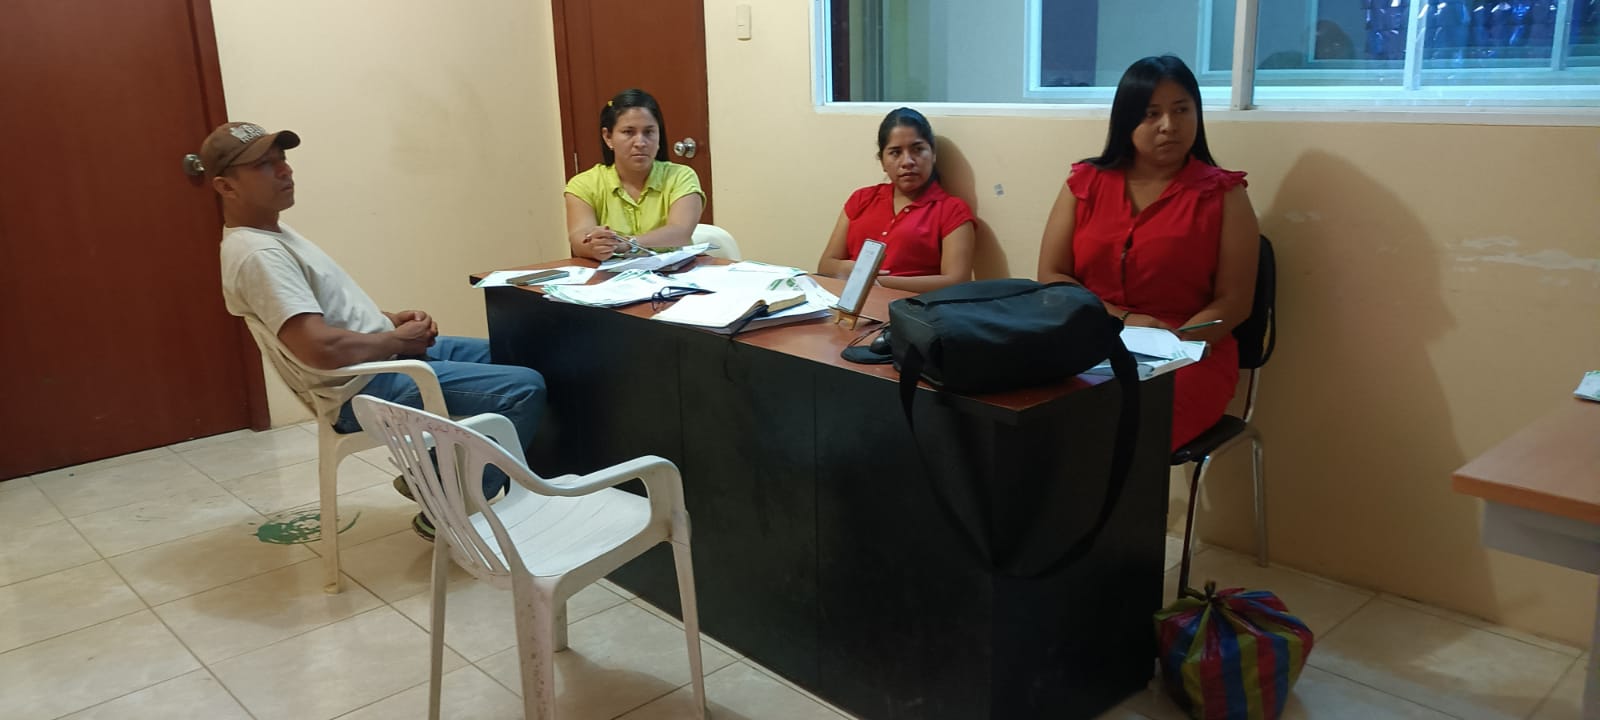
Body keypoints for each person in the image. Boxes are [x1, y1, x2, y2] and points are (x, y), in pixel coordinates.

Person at [201, 121, 547, 539]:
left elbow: (328, 316)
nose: (284, 170)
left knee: (524, 353)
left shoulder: (272, 232)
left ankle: (441, 475)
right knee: (523, 387)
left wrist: (390, 321)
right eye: (263, 165)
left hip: (380, 362)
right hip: (361, 389)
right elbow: (318, 348)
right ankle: (447, 504)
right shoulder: (258, 254)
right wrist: (394, 340)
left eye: (282, 159)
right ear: (225, 187)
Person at [1036, 56, 1259, 451]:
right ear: (1126, 120)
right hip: (1092, 335)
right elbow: (1052, 276)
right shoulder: (1085, 183)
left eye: (1181, 110)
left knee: (1117, 429)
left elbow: (1234, 301)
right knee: (1026, 408)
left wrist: (1172, 344)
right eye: (1151, 113)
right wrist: (1124, 321)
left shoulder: (1224, 195)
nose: (1169, 125)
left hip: (1187, 351)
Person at [817, 107, 976, 292]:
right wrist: (851, 270)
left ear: (933, 154)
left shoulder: (952, 211)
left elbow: (956, 283)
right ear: (882, 162)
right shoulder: (861, 199)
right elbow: (826, 265)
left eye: (918, 149)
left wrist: (875, 282)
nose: (907, 161)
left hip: (909, 307)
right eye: (895, 152)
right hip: (846, 303)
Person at [565, 88, 705, 261]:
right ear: (608, 137)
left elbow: (680, 232)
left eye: (649, 132)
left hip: (675, 274)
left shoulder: (681, 176)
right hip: (611, 275)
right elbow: (579, 238)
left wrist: (627, 244)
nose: (640, 142)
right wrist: (595, 245)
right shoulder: (583, 184)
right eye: (628, 132)